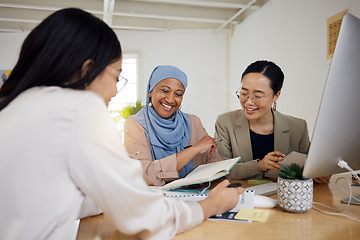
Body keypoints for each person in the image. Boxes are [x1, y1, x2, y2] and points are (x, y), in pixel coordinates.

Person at [0, 8, 244, 240]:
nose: (116, 91)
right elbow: (142, 215)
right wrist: (209, 206)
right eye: (116, 76)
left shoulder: (17, 107)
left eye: (178, 93)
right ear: (88, 70)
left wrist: (117, 194)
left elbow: (54, 196)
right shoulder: (81, 108)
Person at [214, 60, 330, 183]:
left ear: (276, 95)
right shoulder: (225, 122)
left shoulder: (298, 127)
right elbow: (221, 170)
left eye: (258, 96)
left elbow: (308, 167)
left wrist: (318, 173)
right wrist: (259, 166)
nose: (248, 102)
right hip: (241, 196)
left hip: (285, 197)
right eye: (244, 93)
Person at [124, 65, 223, 186]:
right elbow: (144, 176)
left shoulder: (193, 122)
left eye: (178, 94)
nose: (171, 100)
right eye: (165, 91)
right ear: (150, 91)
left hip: (196, 198)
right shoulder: (136, 125)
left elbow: (216, 164)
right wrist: (194, 149)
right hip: (156, 201)